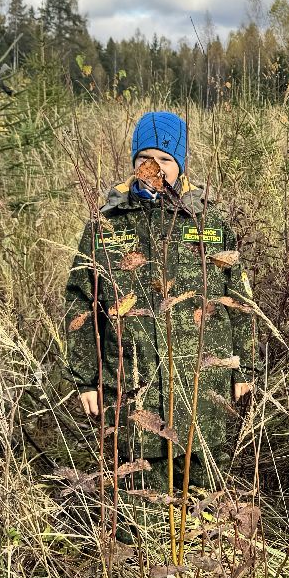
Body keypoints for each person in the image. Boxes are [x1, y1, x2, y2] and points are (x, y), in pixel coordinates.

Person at [64, 112, 253, 496]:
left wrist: (243, 368)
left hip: (202, 387)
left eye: (165, 160)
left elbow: (240, 300)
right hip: (132, 385)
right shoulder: (105, 225)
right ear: (133, 163)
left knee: (202, 501)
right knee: (139, 499)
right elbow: (81, 302)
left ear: (180, 165)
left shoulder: (210, 221)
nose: (154, 168)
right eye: (144, 158)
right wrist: (86, 378)